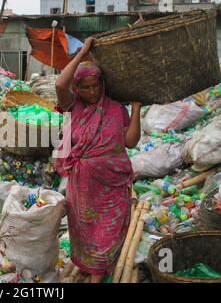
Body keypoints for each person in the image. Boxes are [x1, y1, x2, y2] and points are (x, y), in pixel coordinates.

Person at [54, 37, 142, 283]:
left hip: (112, 184)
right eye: (85, 87)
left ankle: (98, 271)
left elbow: (131, 142)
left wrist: (135, 110)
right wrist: (83, 52)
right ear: (78, 88)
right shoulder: (74, 106)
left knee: (108, 231)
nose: (92, 92)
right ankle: (90, 266)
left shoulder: (115, 109)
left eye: (96, 86)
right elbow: (61, 83)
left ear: (102, 84)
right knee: (84, 230)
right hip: (83, 187)